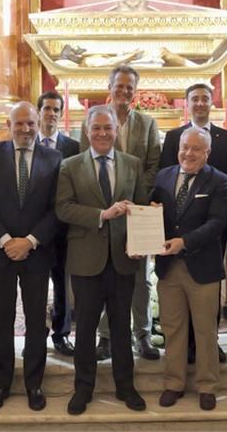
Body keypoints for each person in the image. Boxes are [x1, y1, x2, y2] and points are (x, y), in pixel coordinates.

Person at [56, 105, 148, 415]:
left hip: (123, 258)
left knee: (121, 327)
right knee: (85, 329)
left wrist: (139, 241)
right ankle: (83, 388)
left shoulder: (132, 164)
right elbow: (63, 208)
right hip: (86, 260)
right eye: (96, 128)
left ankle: (126, 387)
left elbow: (141, 208)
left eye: (108, 128)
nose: (102, 133)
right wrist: (101, 215)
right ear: (86, 131)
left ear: (116, 130)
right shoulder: (70, 166)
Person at [0, 102, 63, 412]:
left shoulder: (54, 158)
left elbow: (57, 207)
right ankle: (0, 384)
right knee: (1, 319)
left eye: (31, 123)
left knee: (36, 321)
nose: (26, 129)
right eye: (20, 123)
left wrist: (29, 241)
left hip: (36, 252)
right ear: (9, 124)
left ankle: (33, 384)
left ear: (39, 124)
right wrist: (5, 240)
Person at [80, 65, 161, 362]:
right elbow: (84, 162)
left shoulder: (147, 123)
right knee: (105, 273)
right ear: (110, 87)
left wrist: (135, 199)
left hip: (137, 210)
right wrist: (106, 204)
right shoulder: (93, 120)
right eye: (120, 85)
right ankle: (105, 337)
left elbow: (153, 164)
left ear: (135, 92)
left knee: (140, 276)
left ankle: (142, 334)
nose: (124, 91)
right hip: (103, 209)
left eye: (130, 87)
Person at [152, 127, 227, 411]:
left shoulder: (219, 181)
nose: (189, 153)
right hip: (168, 267)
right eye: (185, 147)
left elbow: (217, 223)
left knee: (205, 330)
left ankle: (207, 385)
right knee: (172, 328)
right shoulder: (163, 176)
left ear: (207, 152)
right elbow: (154, 214)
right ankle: (174, 383)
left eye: (196, 149)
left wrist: (184, 242)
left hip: (202, 267)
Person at [159, 83, 227, 364]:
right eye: (195, 98)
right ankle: (186, 351)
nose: (201, 103)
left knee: (206, 297)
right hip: (173, 236)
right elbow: (164, 184)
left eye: (206, 98)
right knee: (175, 313)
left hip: (211, 228)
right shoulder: (173, 137)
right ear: (187, 102)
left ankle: (208, 344)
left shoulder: (226, 139)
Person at [37, 91, 80, 357]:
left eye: (56, 110)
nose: (51, 113)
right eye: (47, 108)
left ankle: (61, 334)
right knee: (36, 283)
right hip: (35, 227)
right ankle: (36, 333)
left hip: (64, 227)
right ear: (39, 112)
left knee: (63, 282)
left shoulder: (72, 146)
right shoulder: (28, 142)